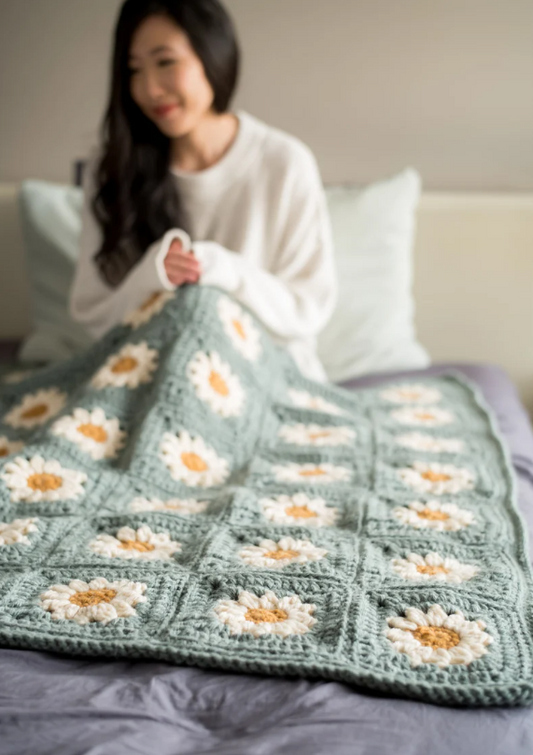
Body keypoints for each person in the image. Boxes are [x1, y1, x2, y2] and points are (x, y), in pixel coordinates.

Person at [70, 0, 337, 382]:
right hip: (146, 376)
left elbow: (307, 308)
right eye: (134, 70)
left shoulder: (284, 163)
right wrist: (153, 274)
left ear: (213, 55)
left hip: (267, 377)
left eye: (165, 62)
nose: (149, 88)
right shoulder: (111, 169)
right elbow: (93, 314)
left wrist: (220, 269)